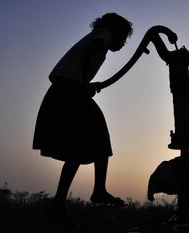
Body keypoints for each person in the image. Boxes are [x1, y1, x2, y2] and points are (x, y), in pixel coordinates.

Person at [33, 13, 133, 227]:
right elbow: (93, 50)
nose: (123, 44)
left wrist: (87, 83)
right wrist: (83, 85)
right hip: (68, 90)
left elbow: (86, 58)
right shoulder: (102, 35)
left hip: (65, 90)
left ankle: (59, 203)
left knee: (77, 148)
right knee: (98, 131)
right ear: (116, 31)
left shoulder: (96, 37)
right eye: (123, 38)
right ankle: (98, 190)